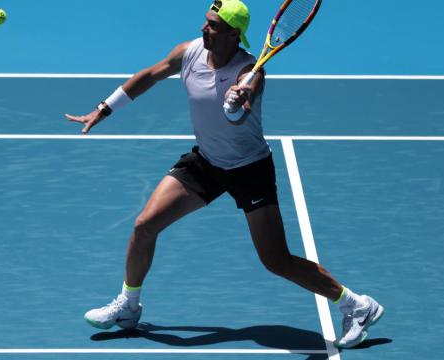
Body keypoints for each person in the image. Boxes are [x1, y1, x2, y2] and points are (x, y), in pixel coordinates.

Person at [65, 0, 383, 349]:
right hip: (206, 163)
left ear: (234, 34)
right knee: (145, 225)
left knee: (275, 260)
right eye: (206, 21)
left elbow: (243, 112)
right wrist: (103, 109)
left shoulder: (251, 71)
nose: (204, 29)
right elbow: (149, 76)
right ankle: (128, 305)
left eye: (213, 25)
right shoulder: (188, 53)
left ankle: (357, 306)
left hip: (249, 170)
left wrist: (238, 98)